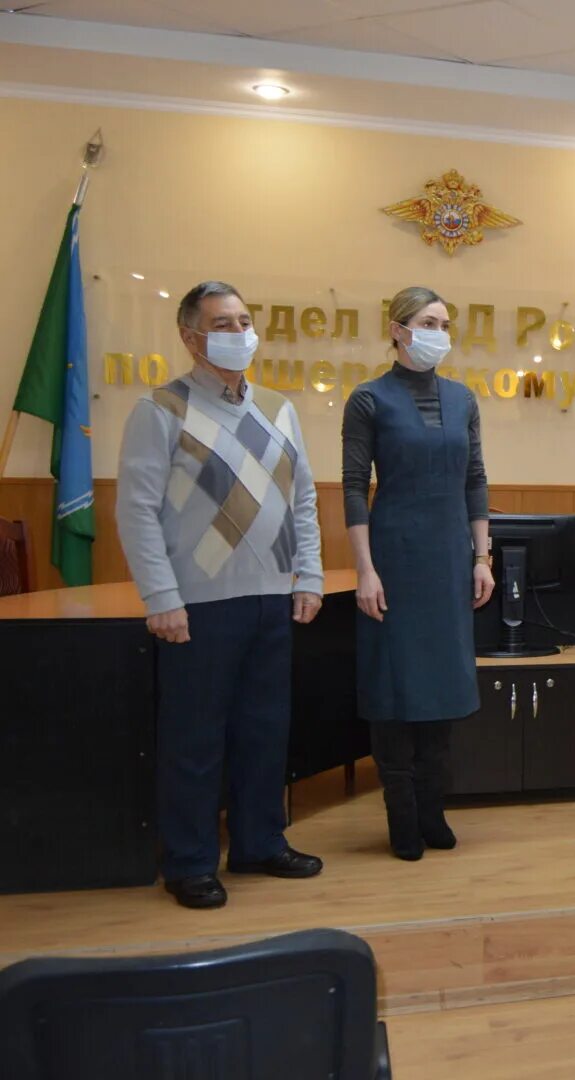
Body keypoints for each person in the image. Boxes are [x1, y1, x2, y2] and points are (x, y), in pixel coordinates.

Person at [115, 281, 325, 909]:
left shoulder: (280, 408)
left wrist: (309, 574)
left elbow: (304, 500)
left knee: (265, 731)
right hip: (197, 607)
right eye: (222, 324)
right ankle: (189, 861)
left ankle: (260, 842)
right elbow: (137, 512)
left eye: (243, 321)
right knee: (195, 739)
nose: (239, 334)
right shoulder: (161, 410)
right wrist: (160, 597)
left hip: (273, 600)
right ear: (190, 337)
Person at [343, 286, 494, 861]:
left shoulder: (463, 399)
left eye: (446, 323)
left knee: (441, 693)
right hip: (393, 562)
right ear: (399, 329)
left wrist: (481, 557)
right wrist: (365, 570)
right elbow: (356, 488)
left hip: (450, 560)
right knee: (395, 690)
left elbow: (475, 480)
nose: (441, 332)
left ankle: (433, 810)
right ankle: (401, 816)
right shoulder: (368, 399)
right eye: (430, 321)